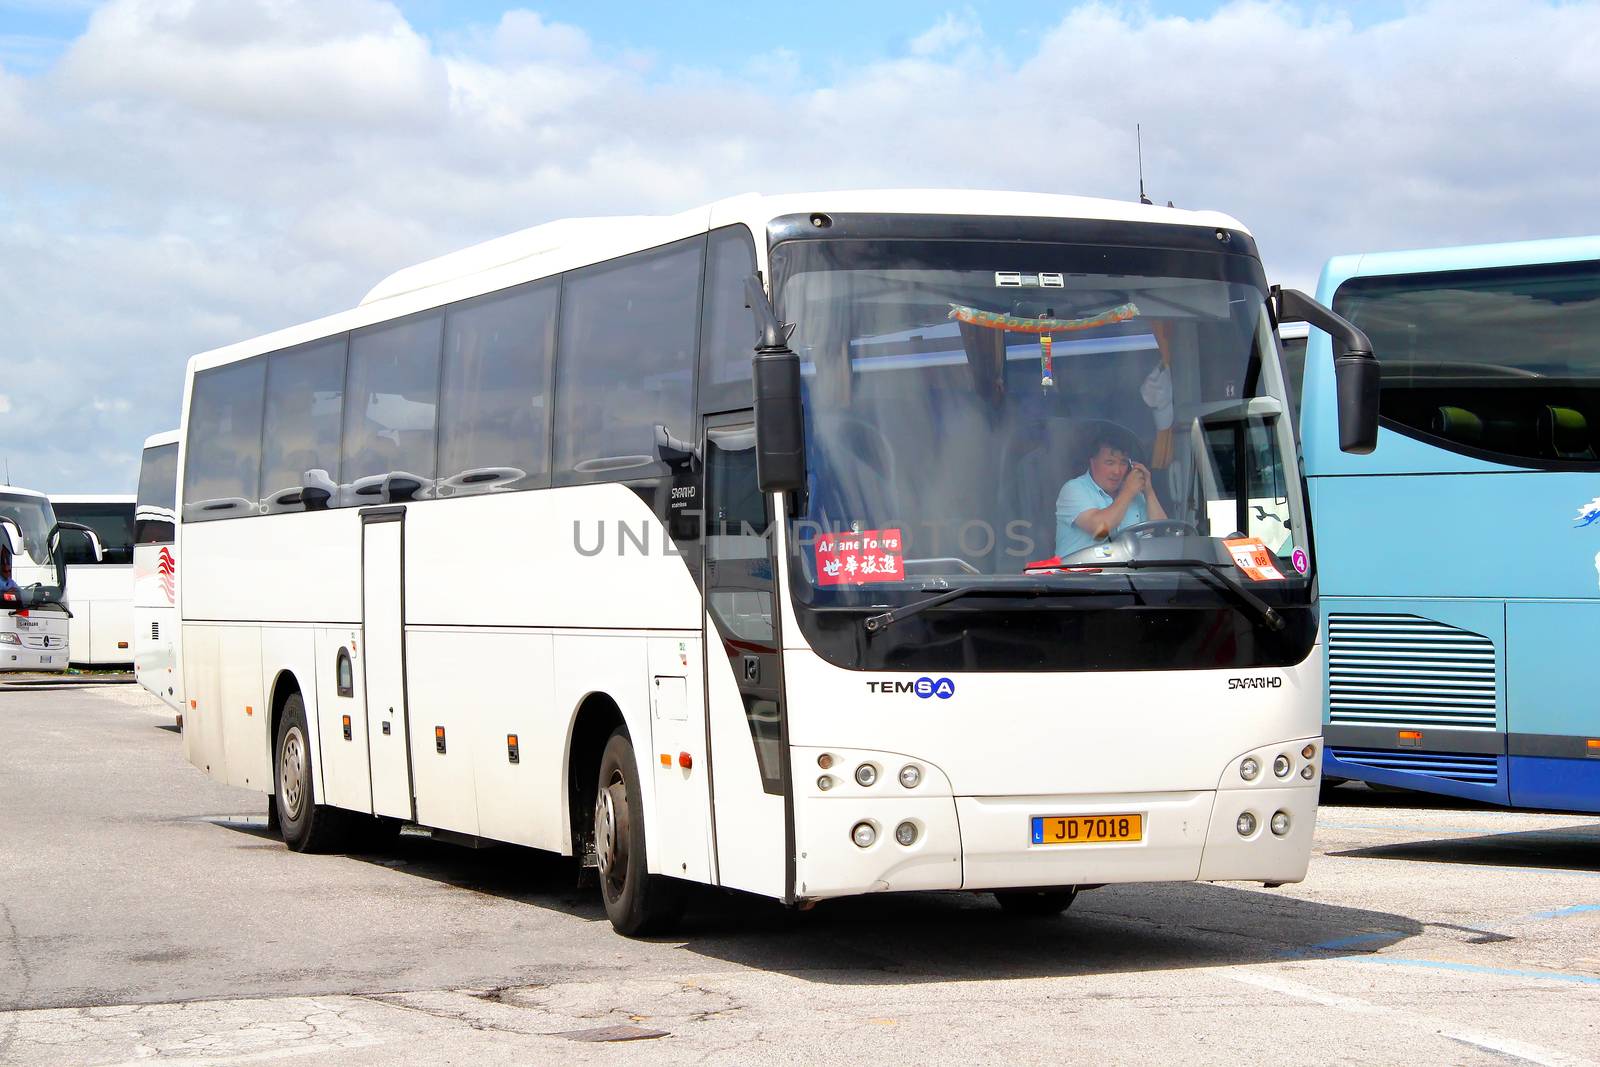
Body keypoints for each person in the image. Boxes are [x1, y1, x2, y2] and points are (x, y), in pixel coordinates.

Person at [1055, 433, 1168, 558]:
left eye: (1123, 463)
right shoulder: (1074, 489)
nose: (1117, 471)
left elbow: (1163, 533)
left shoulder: (1135, 495)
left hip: (1130, 574)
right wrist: (1128, 491)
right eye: (1110, 463)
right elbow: (1100, 529)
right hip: (1079, 574)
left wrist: (1148, 491)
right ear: (1093, 463)